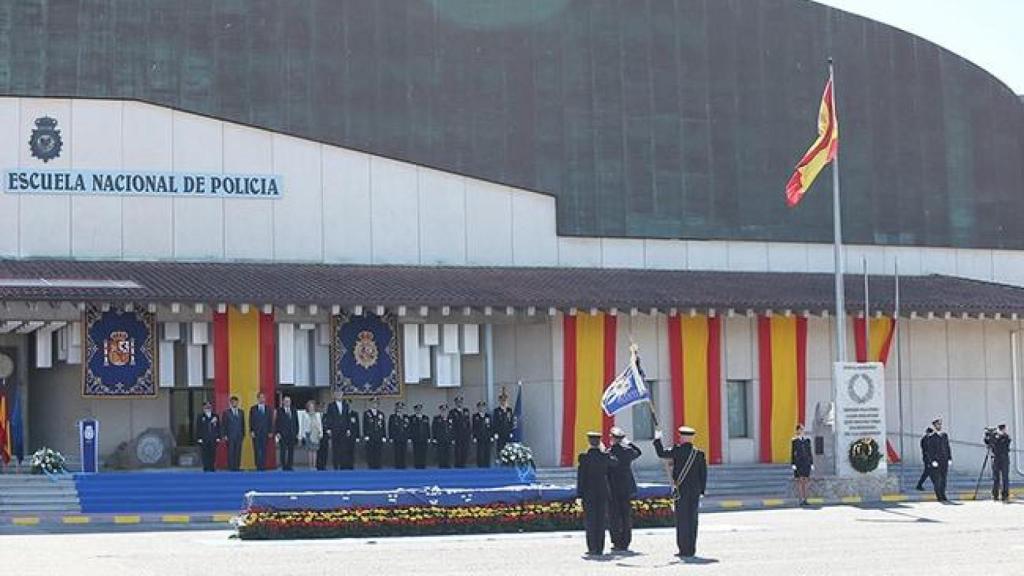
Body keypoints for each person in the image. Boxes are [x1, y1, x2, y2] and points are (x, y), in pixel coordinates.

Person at [654, 426, 707, 559]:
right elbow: (703, 474)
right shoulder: (699, 454)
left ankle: (683, 549)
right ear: (692, 438)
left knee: (682, 519)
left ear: (682, 438)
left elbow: (661, 453)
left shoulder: (677, 451)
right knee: (692, 520)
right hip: (695, 491)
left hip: (681, 490)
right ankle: (691, 548)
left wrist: (658, 439)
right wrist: (701, 491)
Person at [576, 431, 617, 556]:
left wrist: (579, 494)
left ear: (589, 442)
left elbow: (581, 477)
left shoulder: (584, 457)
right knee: (601, 521)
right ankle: (600, 548)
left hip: (588, 493)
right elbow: (615, 462)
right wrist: (604, 450)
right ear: (600, 442)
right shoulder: (605, 456)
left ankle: (592, 547)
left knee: (590, 521)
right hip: (602, 492)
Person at [607, 426, 642, 553]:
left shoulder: (609, 452)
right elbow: (638, 452)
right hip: (626, 487)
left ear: (612, 438)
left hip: (613, 487)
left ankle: (616, 541)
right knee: (626, 515)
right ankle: (625, 542)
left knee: (614, 516)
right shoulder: (627, 451)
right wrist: (629, 442)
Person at [924, 417, 952, 502]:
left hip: (944, 460)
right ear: (934, 426)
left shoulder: (944, 435)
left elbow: (947, 447)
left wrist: (949, 458)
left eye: (940, 424)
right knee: (937, 480)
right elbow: (930, 450)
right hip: (936, 461)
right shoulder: (931, 437)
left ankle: (943, 495)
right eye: (937, 424)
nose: (939, 426)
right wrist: (932, 460)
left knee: (944, 479)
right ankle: (939, 496)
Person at [323, 388, 350, 470]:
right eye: (337, 393)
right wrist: (328, 429)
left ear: (342, 395)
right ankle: (335, 466)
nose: (339, 395)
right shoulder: (331, 405)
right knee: (335, 449)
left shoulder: (346, 405)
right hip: (334, 430)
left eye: (340, 393)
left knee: (343, 449)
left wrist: (348, 429)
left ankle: (342, 466)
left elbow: (347, 418)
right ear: (334, 395)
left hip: (343, 430)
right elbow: (329, 417)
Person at [249, 391, 274, 471]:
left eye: (263, 397)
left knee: (264, 450)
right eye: (260, 397)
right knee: (256, 450)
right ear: (257, 399)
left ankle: (263, 465)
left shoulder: (268, 409)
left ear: (265, 399)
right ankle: (257, 465)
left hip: (265, 433)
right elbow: (251, 421)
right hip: (256, 433)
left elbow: (270, 421)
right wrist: (251, 431)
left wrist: (270, 431)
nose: (262, 399)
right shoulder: (253, 409)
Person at [221, 395, 246, 472]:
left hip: (239, 435)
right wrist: (224, 435)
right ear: (230, 403)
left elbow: (243, 424)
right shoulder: (226, 413)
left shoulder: (241, 412)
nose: (234, 403)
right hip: (230, 435)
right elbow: (223, 425)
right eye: (233, 402)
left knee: (238, 452)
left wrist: (243, 434)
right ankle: (231, 467)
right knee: (231, 452)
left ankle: (237, 467)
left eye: (236, 402)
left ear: (238, 403)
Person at [988, 424, 1012, 502]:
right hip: (995, 459)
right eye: (1002, 429)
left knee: (1005, 478)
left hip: (1004, 459)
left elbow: (1004, 444)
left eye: (1004, 429)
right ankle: (995, 495)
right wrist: (990, 435)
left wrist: (999, 436)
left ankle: (1005, 495)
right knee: (996, 478)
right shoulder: (994, 436)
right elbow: (988, 443)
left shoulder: (1006, 437)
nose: (1004, 431)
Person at [275, 395, 299, 471]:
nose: (287, 402)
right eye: (286, 401)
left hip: (292, 434)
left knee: (291, 451)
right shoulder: (279, 410)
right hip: (283, 434)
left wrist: (296, 432)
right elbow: (277, 422)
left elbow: (296, 422)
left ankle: (290, 465)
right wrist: (277, 432)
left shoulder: (294, 410)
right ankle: (284, 465)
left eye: (288, 401)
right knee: (283, 450)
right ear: (283, 402)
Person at [195, 400, 220, 472]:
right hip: (204, 438)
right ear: (203, 408)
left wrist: (218, 437)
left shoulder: (215, 416)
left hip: (213, 438)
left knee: (213, 453)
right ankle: (206, 467)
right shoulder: (200, 416)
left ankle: (212, 467)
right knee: (205, 454)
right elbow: (198, 427)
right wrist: (199, 438)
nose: (208, 408)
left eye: (209, 407)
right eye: (206, 407)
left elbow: (218, 427)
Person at [791, 423, 813, 505]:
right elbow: (793, 453)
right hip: (799, 463)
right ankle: (800, 500)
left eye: (803, 429)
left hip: (806, 463)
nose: (802, 431)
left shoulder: (807, 440)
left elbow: (809, 452)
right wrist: (793, 463)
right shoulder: (795, 441)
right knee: (800, 481)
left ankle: (805, 499)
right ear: (797, 431)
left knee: (806, 481)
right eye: (800, 429)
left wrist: (811, 463)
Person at [299, 399, 324, 471]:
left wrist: (321, 433)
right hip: (308, 434)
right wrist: (300, 436)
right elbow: (302, 425)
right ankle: (310, 466)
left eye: (312, 406)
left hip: (315, 434)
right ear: (308, 407)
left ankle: (314, 466)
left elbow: (320, 425)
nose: (311, 408)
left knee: (315, 451)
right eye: (310, 407)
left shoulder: (318, 415)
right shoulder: (305, 415)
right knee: (310, 451)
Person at [363, 397, 387, 469]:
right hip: (370, 436)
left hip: (379, 436)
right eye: (373, 403)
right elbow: (365, 425)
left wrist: (384, 436)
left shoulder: (381, 414)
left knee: (378, 452)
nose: (375, 404)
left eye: (376, 403)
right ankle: (371, 466)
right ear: (371, 404)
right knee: (370, 452)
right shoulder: (367, 413)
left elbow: (383, 425)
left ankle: (378, 466)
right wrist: (365, 435)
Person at [450, 396, 472, 468]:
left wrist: (470, 433)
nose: (459, 403)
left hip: (465, 435)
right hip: (457, 434)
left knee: (465, 450)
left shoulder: (466, 411)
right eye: (458, 402)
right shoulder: (452, 412)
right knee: (458, 451)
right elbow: (451, 425)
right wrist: (452, 436)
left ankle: (463, 464)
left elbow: (468, 423)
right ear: (455, 403)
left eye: (460, 402)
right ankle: (458, 465)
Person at [472, 400, 495, 468]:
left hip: (487, 437)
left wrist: (492, 436)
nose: (481, 408)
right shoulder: (475, 416)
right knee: (480, 452)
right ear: (478, 408)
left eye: (483, 407)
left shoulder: (488, 416)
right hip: (479, 437)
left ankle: (487, 465)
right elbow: (474, 427)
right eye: (480, 407)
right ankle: (480, 466)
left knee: (487, 452)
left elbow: (491, 427)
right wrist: (474, 436)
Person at [493, 388, 516, 456]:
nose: (503, 402)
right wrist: (495, 432)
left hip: (507, 432)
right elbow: (495, 422)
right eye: (502, 400)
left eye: (505, 400)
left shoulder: (509, 410)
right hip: (500, 433)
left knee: (508, 449)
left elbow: (511, 421)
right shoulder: (497, 410)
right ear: (499, 401)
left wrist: (511, 431)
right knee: (500, 449)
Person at [388, 401, 410, 469]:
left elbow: (409, 428)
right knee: (397, 452)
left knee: (404, 452)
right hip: (396, 437)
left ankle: (403, 465)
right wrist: (391, 437)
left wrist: (409, 437)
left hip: (404, 437)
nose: (400, 409)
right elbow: (390, 427)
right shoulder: (392, 417)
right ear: (396, 408)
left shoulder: (406, 417)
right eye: (399, 408)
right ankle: (397, 466)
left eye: (401, 408)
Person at [410, 404, 431, 469]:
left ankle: (423, 465)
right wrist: (410, 437)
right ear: (415, 410)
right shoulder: (411, 418)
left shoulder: (425, 418)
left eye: (420, 409)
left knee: (423, 453)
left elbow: (428, 428)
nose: (418, 410)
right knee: (416, 453)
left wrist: (429, 437)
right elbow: (410, 429)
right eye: (417, 409)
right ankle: (417, 466)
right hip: (416, 439)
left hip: (424, 438)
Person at [432, 403, 453, 468]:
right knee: (441, 453)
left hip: (448, 439)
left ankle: (447, 465)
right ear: (440, 410)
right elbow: (434, 429)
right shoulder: (436, 418)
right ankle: (441, 465)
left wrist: (453, 438)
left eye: (445, 410)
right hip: (440, 439)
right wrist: (434, 438)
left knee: (448, 453)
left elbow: (453, 429)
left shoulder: (450, 418)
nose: (444, 411)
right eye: (443, 410)